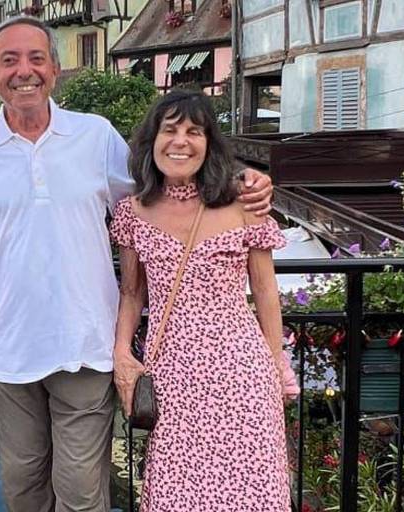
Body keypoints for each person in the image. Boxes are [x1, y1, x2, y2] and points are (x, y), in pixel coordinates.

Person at [0, 17, 274, 512]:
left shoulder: (94, 136)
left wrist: (239, 175)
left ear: (55, 68)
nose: (24, 71)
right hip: (11, 351)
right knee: (23, 488)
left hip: (87, 346)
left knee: (81, 493)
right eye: (9, 60)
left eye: (36, 58)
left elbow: (160, 181)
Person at [110, 90, 294, 511]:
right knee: (177, 493)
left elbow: (265, 290)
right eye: (170, 130)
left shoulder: (244, 206)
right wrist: (122, 351)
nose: (181, 141)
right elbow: (132, 292)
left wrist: (274, 364)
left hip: (241, 374)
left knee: (250, 491)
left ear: (209, 144)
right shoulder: (132, 212)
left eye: (195, 131)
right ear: (151, 141)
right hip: (171, 378)